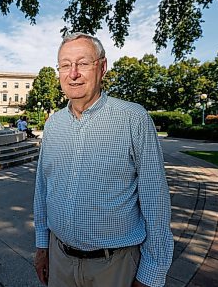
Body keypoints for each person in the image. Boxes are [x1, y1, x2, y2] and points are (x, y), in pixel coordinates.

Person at [33, 32, 173, 287]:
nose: (73, 73)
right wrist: (42, 246)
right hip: (59, 260)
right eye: (65, 65)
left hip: (114, 267)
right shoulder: (53, 125)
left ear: (102, 67)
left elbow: (156, 200)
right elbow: (43, 190)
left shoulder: (133, 119)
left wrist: (153, 271)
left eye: (83, 63)